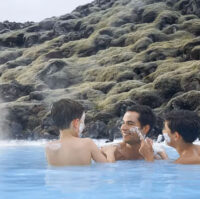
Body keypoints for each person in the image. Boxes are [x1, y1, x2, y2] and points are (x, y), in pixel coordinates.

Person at [46, 99, 116, 166]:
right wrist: (110, 151)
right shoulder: (87, 143)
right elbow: (108, 167)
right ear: (76, 123)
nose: (84, 126)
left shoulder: (49, 147)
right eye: (82, 122)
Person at [101, 105, 168, 162]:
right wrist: (110, 157)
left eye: (130, 124)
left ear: (145, 129)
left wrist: (149, 159)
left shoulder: (158, 155)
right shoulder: (110, 152)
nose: (123, 128)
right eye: (123, 123)